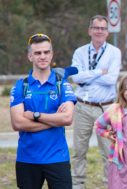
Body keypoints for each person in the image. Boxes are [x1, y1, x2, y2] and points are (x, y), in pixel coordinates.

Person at [10, 33, 77, 189]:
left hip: (57, 157)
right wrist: (54, 120)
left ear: (51, 54)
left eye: (46, 52)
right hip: (27, 159)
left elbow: (67, 118)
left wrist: (35, 116)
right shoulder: (20, 86)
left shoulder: (62, 85)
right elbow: (17, 123)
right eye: (37, 53)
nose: (42, 56)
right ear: (30, 56)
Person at [70, 15, 122, 189]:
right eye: (96, 27)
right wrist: (100, 71)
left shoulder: (115, 52)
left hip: (106, 107)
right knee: (78, 150)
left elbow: (111, 79)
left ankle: (111, 184)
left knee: (108, 150)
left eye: (103, 28)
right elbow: (76, 77)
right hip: (82, 106)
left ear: (107, 32)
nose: (99, 31)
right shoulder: (80, 52)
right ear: (89, 30)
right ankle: (78, 184)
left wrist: (87, 76)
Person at [95, 74, 127, 189]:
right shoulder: (114, 110)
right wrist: (108, 134)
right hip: (118, 160)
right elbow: (98, 126)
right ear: (121, 91)